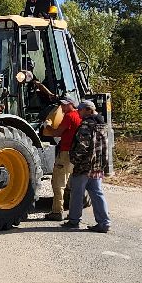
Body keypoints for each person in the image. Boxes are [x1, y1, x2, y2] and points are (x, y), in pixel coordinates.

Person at [62, 99, 110, 233]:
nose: (78, 113)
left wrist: (74, 161)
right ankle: (104, 223)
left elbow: (82, 147)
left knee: (77, 193)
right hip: (97, 166)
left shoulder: (86, 125)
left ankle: (74, 220)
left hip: (84, 166)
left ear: (88, 110)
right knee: (97, 193)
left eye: (80, 110)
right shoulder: (103, 125)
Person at [36, 91, 81, 220]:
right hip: (74, 153)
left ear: (71, 104)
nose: (62, 107)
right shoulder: (78, 116)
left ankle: (57, 212)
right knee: (71, 184)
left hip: (65, 153)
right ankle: (73, 212)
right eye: (62, 104)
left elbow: (57, 133)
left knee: (58, 183)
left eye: (65, 105)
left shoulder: (69, 117)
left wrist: (47, 126)